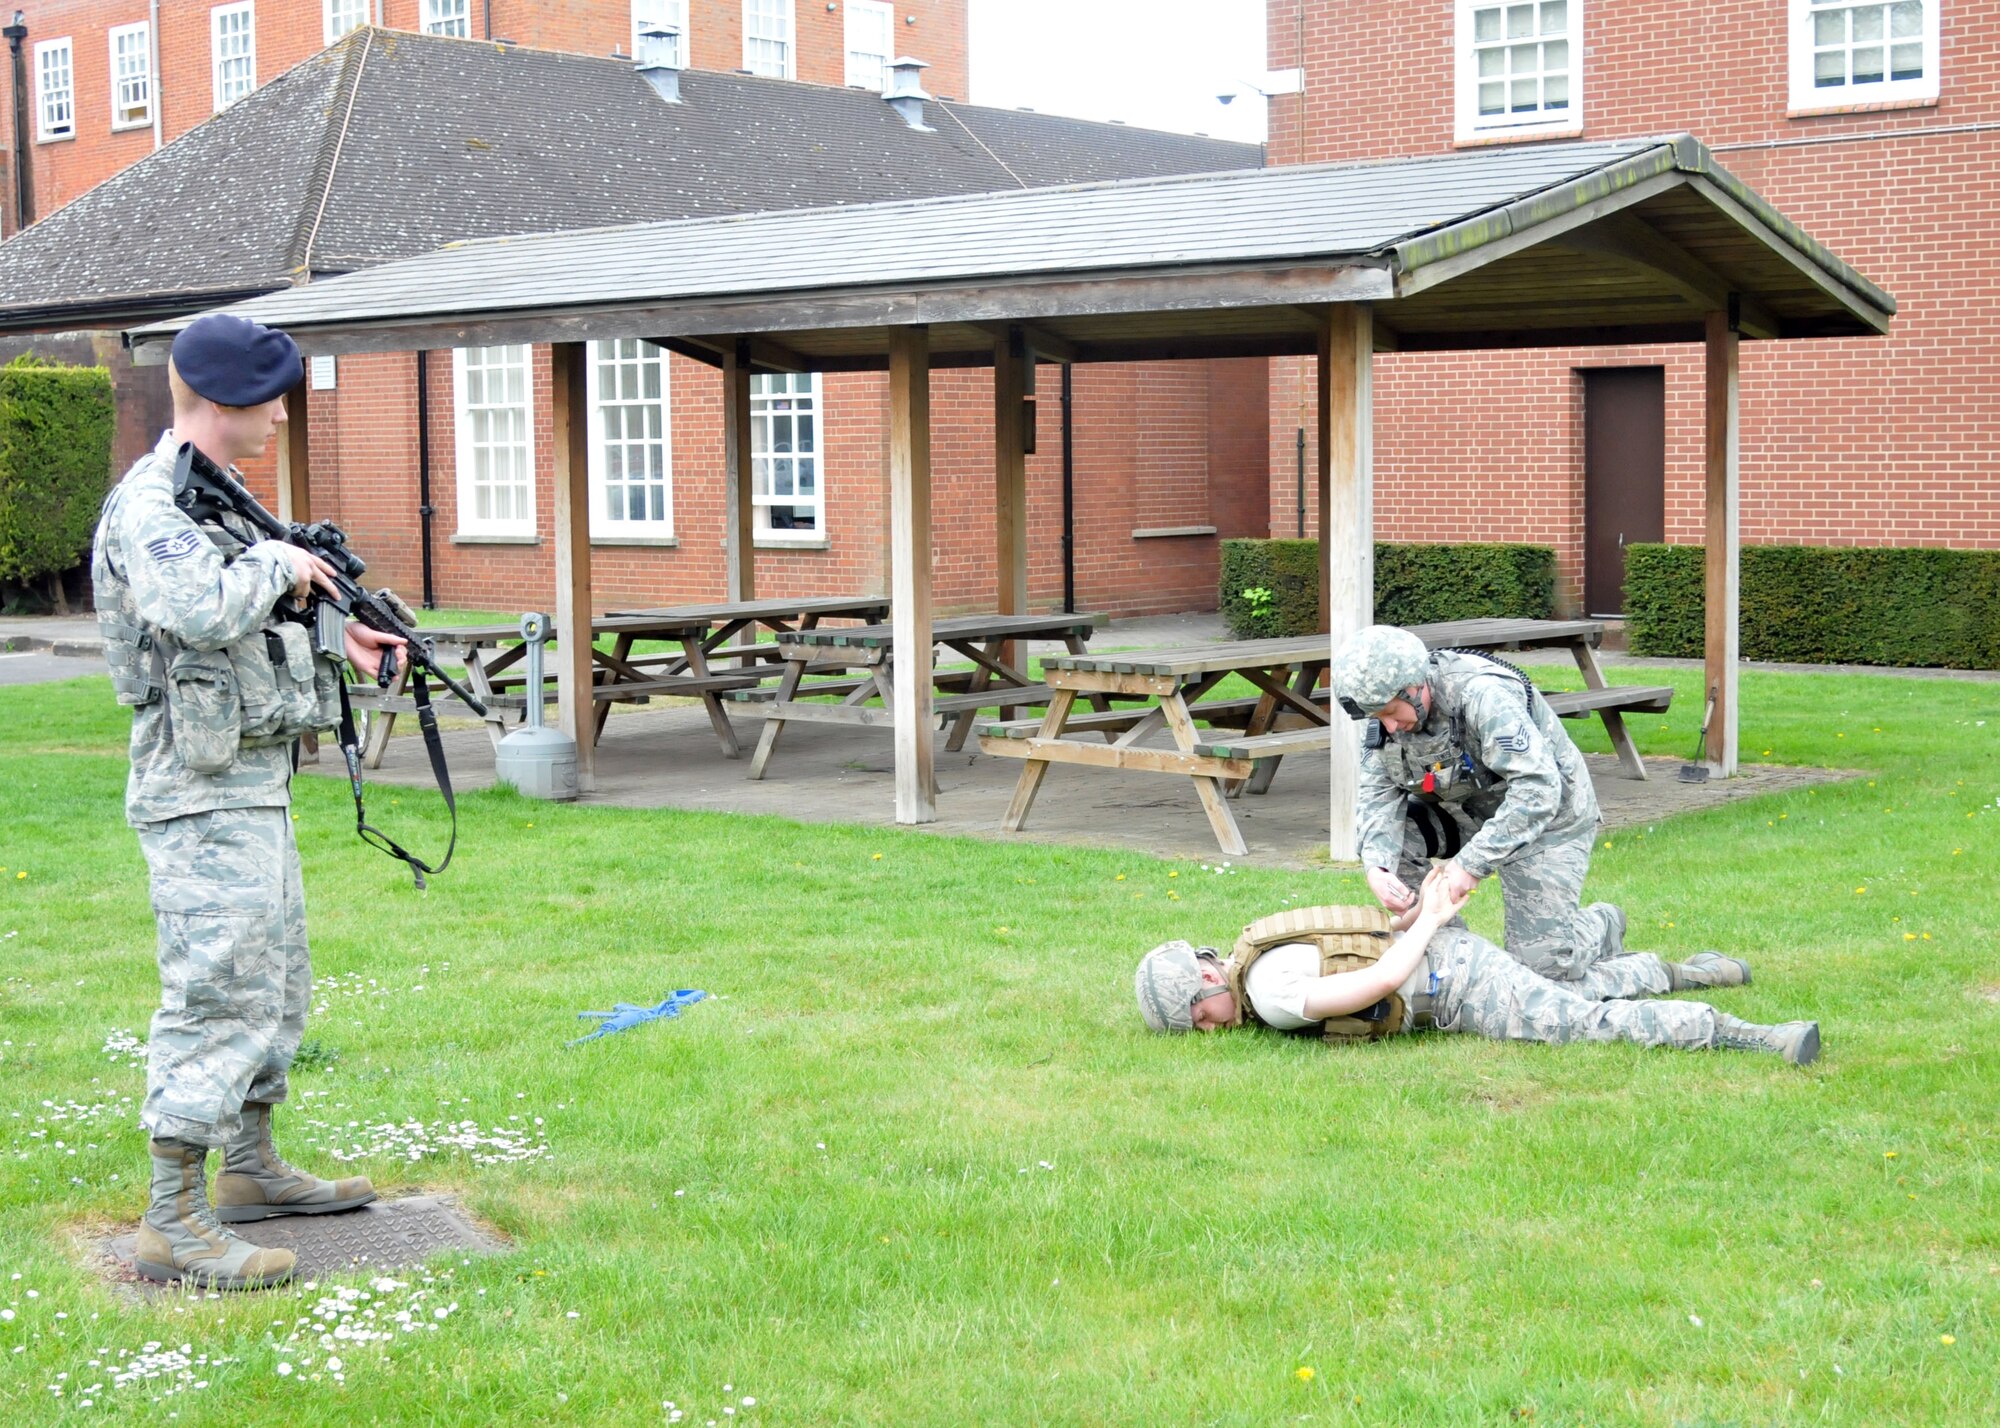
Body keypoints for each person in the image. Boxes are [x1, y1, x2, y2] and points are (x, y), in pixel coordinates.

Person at [92, 313, 407, 1290]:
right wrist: (280, 566)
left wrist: (335, 636)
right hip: (196, 792)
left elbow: (247, 626)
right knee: (214, 991)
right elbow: (198, 609)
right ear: (224, 402)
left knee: (272, 985)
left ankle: (251, 1171)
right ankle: (173, 1222)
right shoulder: (153, 507)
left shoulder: (214, 500)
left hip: (249, 781)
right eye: (269, 395)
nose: (280, 411)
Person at [1328, 624, 1726, 992]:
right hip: (1470, 813)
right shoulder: (1383, 712)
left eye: (1392, 713)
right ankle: (1454, 957)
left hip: (1549, 821)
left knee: (1543, 971)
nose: (1389, 726)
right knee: (1394, 845)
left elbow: (1538, 789)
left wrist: (1469, 865)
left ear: (1415, 687)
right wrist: (1376, 866)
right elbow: (1378, 793)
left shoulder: (1482, 695)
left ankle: (1602, 926)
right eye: (1378, 716)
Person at [1132, 872, 1820, 1064]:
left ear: (1204, 981)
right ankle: (1682, 970)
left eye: (1195, 1019)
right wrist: (1424, 920)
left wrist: (1429, 916)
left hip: (1454, 984)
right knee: (1566, 989)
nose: (1207, 1032)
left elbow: (1375, 983)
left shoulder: (1270, 990)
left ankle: (1749, 1035)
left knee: (1581, 1023)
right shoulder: (1259, 941)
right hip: (1454, 962)